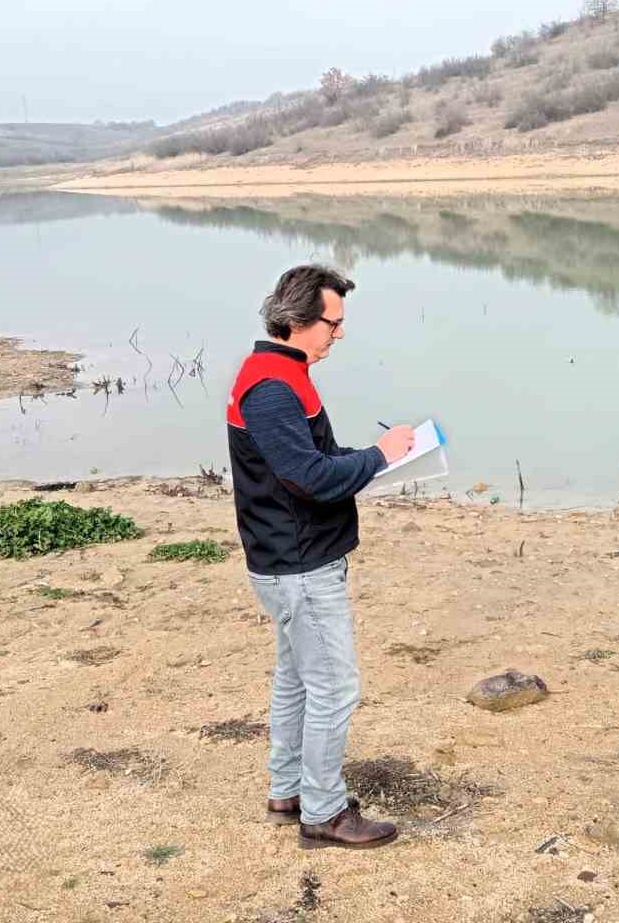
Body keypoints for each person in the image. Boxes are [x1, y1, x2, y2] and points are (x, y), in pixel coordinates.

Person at [226, 264, 415, 850]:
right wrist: (380, 456)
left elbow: (314, 460)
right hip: (298, 564)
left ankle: (289, 791)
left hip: (294, 557)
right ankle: (324, 812)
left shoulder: (283, 373)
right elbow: (307, 476)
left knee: (298, 679)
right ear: (300, 321)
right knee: (334, 685)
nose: (338, 334)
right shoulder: (272, 388)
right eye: (333, 323)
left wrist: (372, 457)